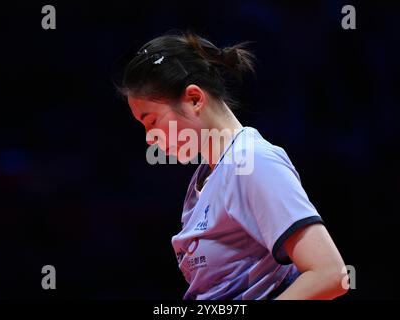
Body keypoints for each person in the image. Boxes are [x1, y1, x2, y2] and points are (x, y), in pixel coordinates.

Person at [119, 30, 348, 300]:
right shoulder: (204, 178)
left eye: (152, 121)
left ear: (194, 99)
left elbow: (330, 274)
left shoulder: (253, 162)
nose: (150, 138)